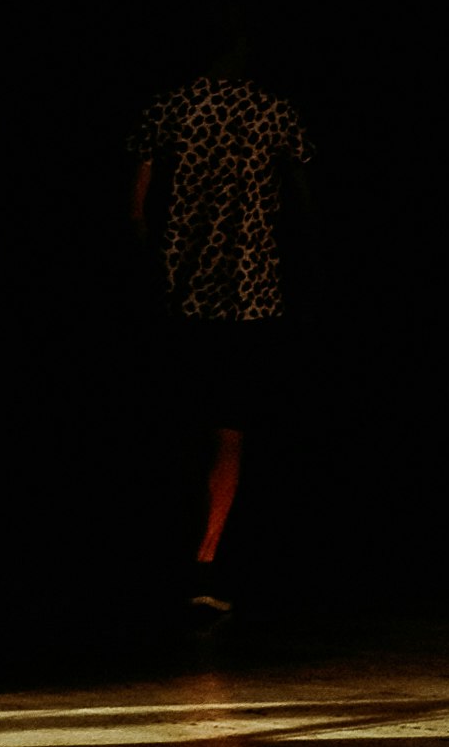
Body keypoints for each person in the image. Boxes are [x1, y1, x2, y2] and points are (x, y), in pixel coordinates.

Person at [130, 42, 312, 611]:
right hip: (250, 299)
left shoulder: (167, 109)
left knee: (181, 427)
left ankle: (175, 558)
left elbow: (134, 212)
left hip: (179, 296)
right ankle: (204, 562)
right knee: (228, 432)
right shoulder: (274, 110)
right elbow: (305, 207)